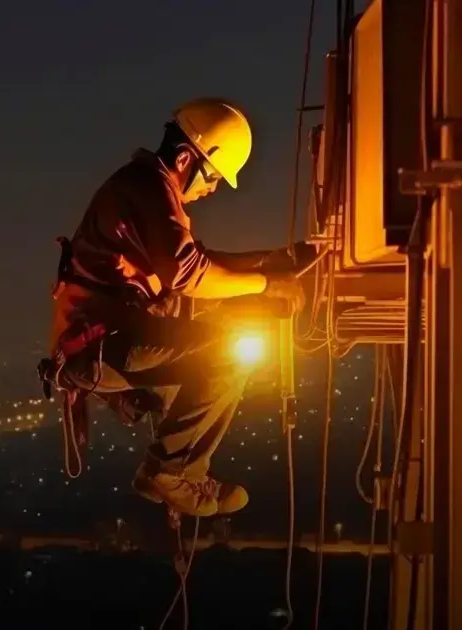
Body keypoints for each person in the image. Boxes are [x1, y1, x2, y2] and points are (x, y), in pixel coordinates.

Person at [43, 98, 305, 518]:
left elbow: (196, 262)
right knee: (225, 352)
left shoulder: (145, 188)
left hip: (101, 342)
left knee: (209, 325)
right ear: (186, 158)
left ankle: (163, 473)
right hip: (99, 345)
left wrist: (267, 261)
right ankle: (172, 472)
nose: (213, 188)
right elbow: (188, 273)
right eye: (213, 176)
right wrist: (267, 283)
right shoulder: (148, 188)